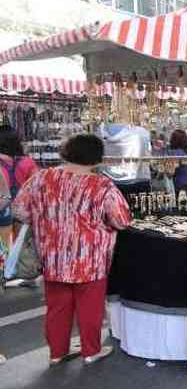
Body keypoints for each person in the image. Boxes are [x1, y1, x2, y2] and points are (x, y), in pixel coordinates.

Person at [13, 134, 131, 365]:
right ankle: (90, 351)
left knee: (57, 307)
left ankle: (57, 353)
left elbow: (20, 210)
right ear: (97, 158)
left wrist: (44, 218)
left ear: (66, 151)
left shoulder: (41, 178)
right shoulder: (102, 185)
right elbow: (121, 220)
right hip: (90, 259)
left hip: (53, 256)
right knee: (90, 308)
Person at [0, 126, 38, 251]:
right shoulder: (28, 162)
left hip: (3, 210)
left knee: (4, 248)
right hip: (23, 210)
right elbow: (36, 188)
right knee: (19, 249)